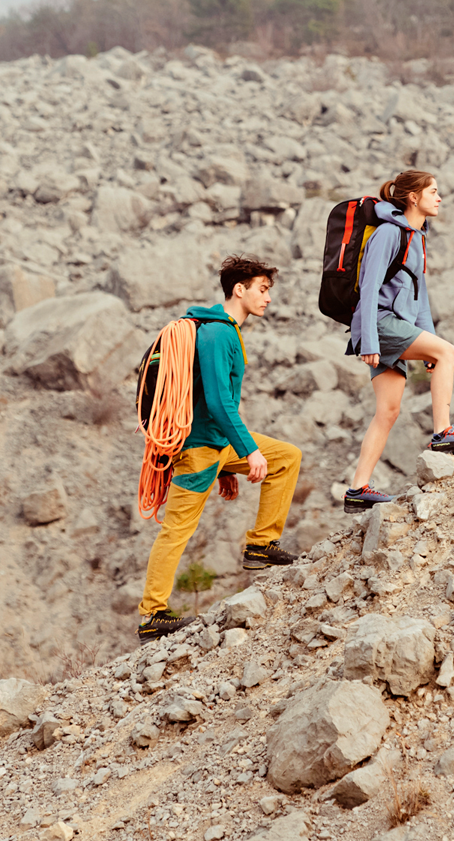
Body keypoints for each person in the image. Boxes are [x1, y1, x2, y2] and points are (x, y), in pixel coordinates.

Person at [138, 255, 302, 642]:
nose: (268, 298)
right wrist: (247, 451)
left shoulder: (223, 329)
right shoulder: (218, 333)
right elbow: (217, 400)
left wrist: (229, 462)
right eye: (263, 289)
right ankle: (152, 614)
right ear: (239, 290)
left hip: (215, 445)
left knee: (286, 457)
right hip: (198, 448)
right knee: (176, 530)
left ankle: (261, 545)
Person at [343, 170, 454, 514]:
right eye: (433, 191)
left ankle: (357, 489)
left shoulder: (416, 238)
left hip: (394, 326)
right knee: (449, 352)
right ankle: (442, 431)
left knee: (388, 410)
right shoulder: (389, 233)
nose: (439, 198)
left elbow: (420, 299)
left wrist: (428, 345)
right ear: (413, 197)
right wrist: (369, 341)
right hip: (379, 324)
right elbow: (369, 288)